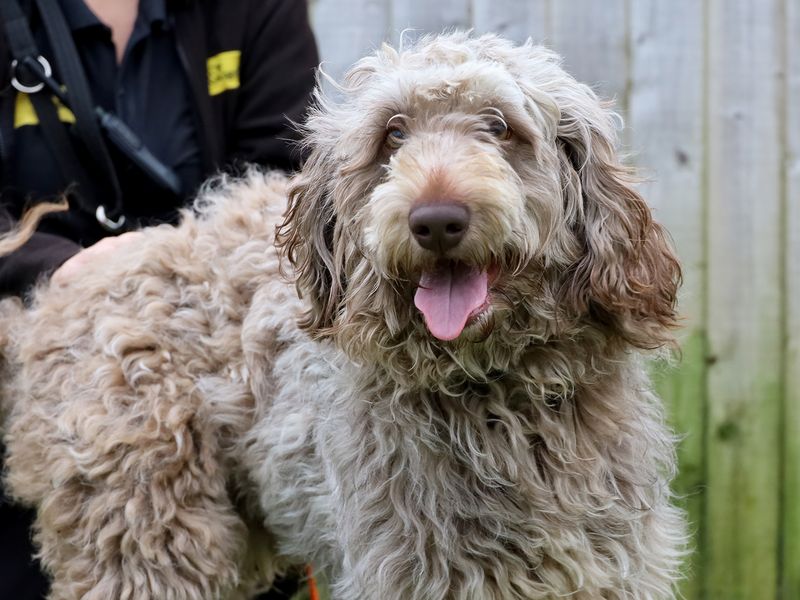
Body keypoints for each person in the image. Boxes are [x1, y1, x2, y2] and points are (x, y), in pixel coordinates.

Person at [0, 0, 319, 597]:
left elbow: (291, 179)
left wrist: (173, 266)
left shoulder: (256, 12)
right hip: (29, 357)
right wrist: (58, 267)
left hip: (214, 370)